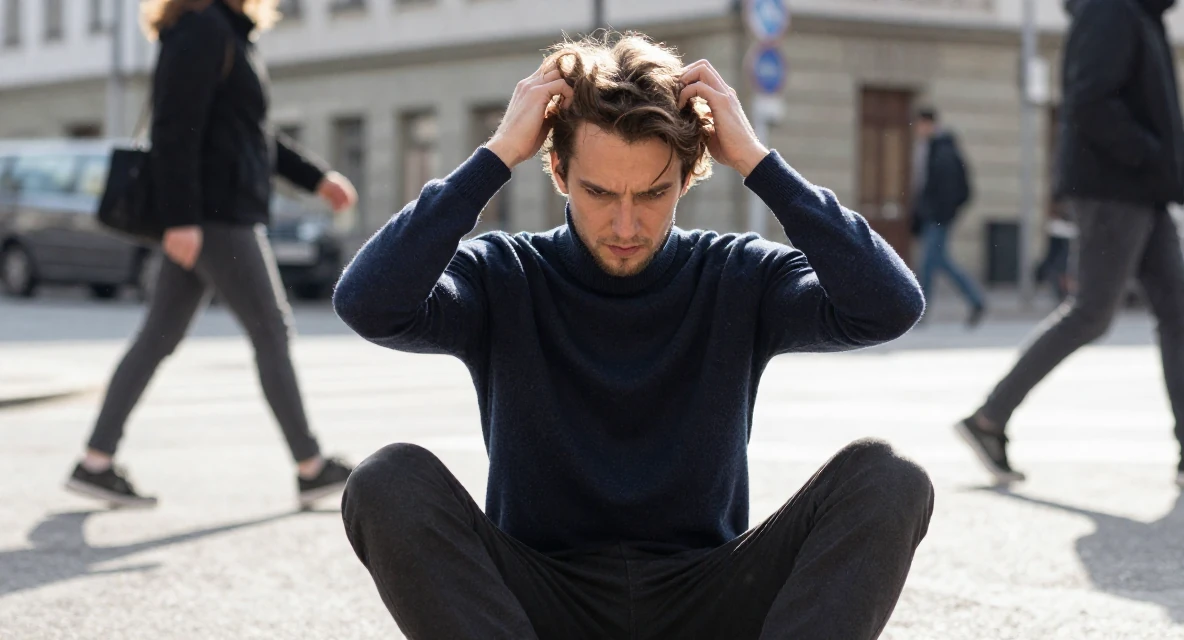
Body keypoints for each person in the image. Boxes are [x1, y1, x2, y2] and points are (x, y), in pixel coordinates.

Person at [334, 34, 933, 640]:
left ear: (687, 176)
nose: (626, 224)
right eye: (599, 193)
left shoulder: (737, 274)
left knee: (888, 477)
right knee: (388, 480)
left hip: (707, 597)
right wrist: (493, 159)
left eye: (653, 193)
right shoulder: (503, 274)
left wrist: (758, 163)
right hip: (541, 601)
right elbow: (368, 303)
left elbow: (888, 306)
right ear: (560, 172)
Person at [64, 0, 356, 509]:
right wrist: (181, 218)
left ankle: (95, 461)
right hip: (216, 217)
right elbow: (175, 128)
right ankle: (311, 467)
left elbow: (249, 133)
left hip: (212, 214)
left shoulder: (228, 33)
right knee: (271, 327)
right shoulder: (202, 30)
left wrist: (317, 178)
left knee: (158, 336)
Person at [956, 0, 1184, 489]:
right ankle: (989, 417)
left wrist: (1180, 164)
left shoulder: (1142, 16)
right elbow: (1089, 102)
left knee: (1179, 309)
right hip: (1114, 191)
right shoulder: (1110, 10)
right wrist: (1153, 159)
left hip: (1143, 192)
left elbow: (1163, 124)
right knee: (1092, 312)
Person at [911, 107, 987, 327]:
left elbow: (951, 190)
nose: (917, 130)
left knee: (928, 264)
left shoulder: (943, 151)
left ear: (927, 124)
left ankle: (919, 312)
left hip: (938, 218)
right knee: (940, 262)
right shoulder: (934, 148)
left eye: (918, 125)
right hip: (934, 217)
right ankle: (976, 300)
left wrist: (941, 214)